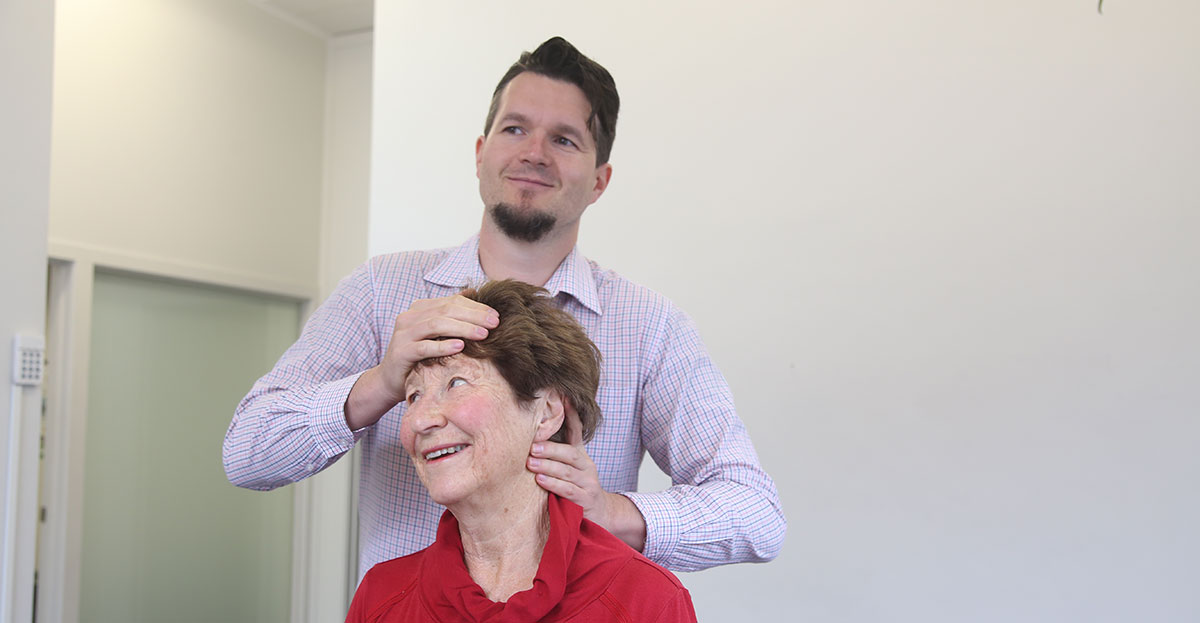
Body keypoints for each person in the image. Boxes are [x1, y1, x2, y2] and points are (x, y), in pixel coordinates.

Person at [224, 36, 785, 578]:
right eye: (514, 128)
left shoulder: (651, 326)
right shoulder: (379, 291)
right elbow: (248, 454)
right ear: (480, 152)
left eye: (565, 139)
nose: (533, 153)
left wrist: (611, 513)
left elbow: (756, 514)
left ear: (599, 181)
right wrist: (383, 382)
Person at [344, 279, 696, 622]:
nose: (421, 420)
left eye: (456, 383)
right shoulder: (381, 595)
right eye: (413, 395)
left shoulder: (646, 600)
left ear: (546, 412)